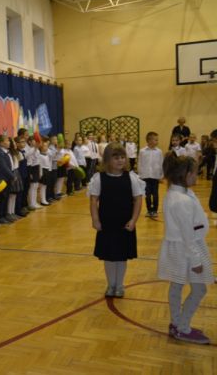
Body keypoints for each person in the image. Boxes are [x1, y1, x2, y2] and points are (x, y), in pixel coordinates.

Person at [157, 153, 213, 344]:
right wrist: (196, 261)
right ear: (186, 174)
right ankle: (182, 328)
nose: (197, 176)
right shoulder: (181, 200)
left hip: (182, 248)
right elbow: (188, 235)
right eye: (195, 173)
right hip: (187, 250)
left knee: (177, 285)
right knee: (199, 290)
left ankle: (176, 323)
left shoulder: (180, 193)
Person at [89, 143, 144, 298]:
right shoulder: (99, 178)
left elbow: (138, 199)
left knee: (121, 256)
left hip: (125, 223)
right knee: (109, 256)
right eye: (116, 158)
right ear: (107, 160)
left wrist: (133, 220)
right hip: (107, 223)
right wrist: (95, 219)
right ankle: (111, 284)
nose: (120, 160)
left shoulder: (131, 177)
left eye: (122, 157)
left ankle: (119, 285)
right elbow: (94, 200)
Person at [138, 132, 164, 218]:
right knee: (147, 195)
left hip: (155, 176)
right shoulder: (142, 151)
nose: (157, 141)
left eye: (157, 140)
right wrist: (140, 176)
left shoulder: (159, 152)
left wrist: (161, 175)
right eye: (155, 140)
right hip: (145, 176)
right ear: (149, 140)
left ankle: (155, 210)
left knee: (155, 194)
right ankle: (149, 210)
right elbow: (140, 163)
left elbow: (161, 163)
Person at [0, 135, 15, 221]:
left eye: (8, 140)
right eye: (7, 141)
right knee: (2, 198)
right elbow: (3, 167)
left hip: (8, 178)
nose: (9, 142)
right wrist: (12, 176)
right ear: (1, 143)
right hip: (3, 179)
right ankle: (0, 216)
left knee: (6, 197)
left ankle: (5, 214)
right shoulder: (0, 154)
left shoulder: (7, 152)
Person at [25, 136, 41, 209]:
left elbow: (38, 161)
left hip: (36, 167)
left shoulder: (37, 150)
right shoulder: (28, 149)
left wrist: (40, 171)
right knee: (32, 186)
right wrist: (30, 173)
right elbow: (27, 156)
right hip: (31, 168)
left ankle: (35, 202)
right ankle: (31, 203)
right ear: (29, 142)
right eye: (34, 141)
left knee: (36, 186)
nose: (35, 142)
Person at [37, 137, 52, 206]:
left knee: (45, 186)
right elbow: (40, 165)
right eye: (45, 146)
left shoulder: (46, 155)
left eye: (47, 146)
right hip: (43, 171)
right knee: (42, 186)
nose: (46, 148)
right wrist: (41, 174)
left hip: (47, 170)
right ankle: (42, 200)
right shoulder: (40, 156)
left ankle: (44, 199)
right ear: (41, 147)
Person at [210, 129, 217, 213]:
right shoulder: (213, 151)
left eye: (214, 141)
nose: (213, 143)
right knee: (213, 205)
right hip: (215, 177)